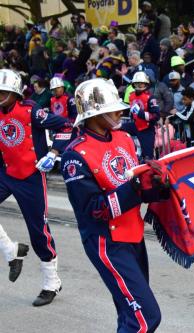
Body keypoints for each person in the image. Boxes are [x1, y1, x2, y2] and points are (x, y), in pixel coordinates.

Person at [61, 78, 167, 332]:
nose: (121, 111)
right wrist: (136, 186)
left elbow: (138, 191)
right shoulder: (75, 156)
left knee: (130, 315)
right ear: (94, 114)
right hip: (107, 242)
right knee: (146, 318)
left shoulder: (125, 138)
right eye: (113, 108)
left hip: (133, 235)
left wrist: (158, 186)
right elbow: (95, 210)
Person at [0, 69, 71, 306]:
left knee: (38, 231)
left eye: (3, 93)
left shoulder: (32, 111)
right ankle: (12, 251)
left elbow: (66, 126)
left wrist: (53, 152)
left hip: (31, 175)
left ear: (16, 94)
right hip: (6, 172)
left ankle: (52, 282)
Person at [122, 72, 160, 161]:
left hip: (147, 129)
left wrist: (140, 113)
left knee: (148, 157)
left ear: (146, 84)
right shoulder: (131, 96)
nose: (139, 85)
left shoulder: (150, 98)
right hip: (136, 125)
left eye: (141, 83)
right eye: (136, 83)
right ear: (133, 84)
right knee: (117, 128)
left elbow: (156, 116)